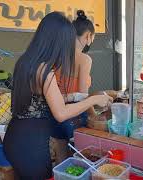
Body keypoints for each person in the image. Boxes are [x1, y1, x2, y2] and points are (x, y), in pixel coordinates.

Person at [3, 12, 112, 179]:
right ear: (57, 41)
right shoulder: (45, 71)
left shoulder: (26, 61)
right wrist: (94, 99)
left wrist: (75, 96)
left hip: (14, 137)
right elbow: (61, 113)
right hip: (31, 145)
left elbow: (42, 99)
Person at [51, 10, 97, 164]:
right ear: (88, 36)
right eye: (92, 37)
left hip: (55, 111)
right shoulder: (84, 59)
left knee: (61, 156)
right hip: (74, 115)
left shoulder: (56, 55)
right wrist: (93, 113)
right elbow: (83, 94)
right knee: (78, 158)